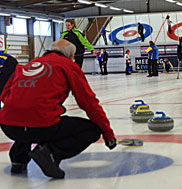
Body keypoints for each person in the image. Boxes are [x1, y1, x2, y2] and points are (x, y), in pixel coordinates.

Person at [0, 40, 116, 178]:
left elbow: (4, 94)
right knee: (91, 130)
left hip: (8, 126)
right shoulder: (68, 66)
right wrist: (107, 134)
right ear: (71, 56)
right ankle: (51, 154)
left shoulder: (29, 65)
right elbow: (88, 103)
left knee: (27, 117)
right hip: (41, 127)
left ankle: (18, 160)